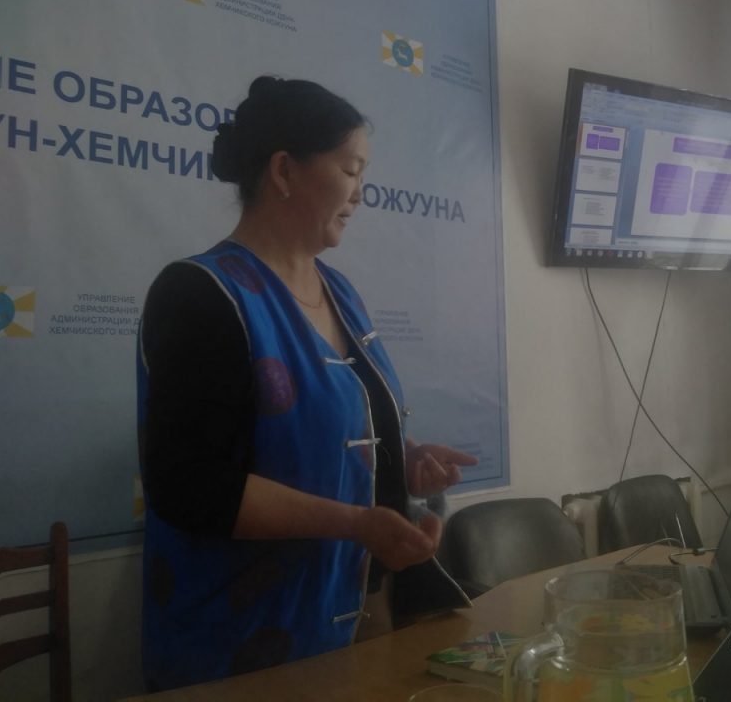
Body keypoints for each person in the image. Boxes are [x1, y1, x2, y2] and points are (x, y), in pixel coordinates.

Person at [137, 76, 478, 691]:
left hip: (354, 613)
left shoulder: (340, 292)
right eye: (350, 171)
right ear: (284, 171)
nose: (360, 194)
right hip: (241, 642)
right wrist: (357, 523)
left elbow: (330, 430)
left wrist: (399, 462)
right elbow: (190, 487)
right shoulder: (200, 294)